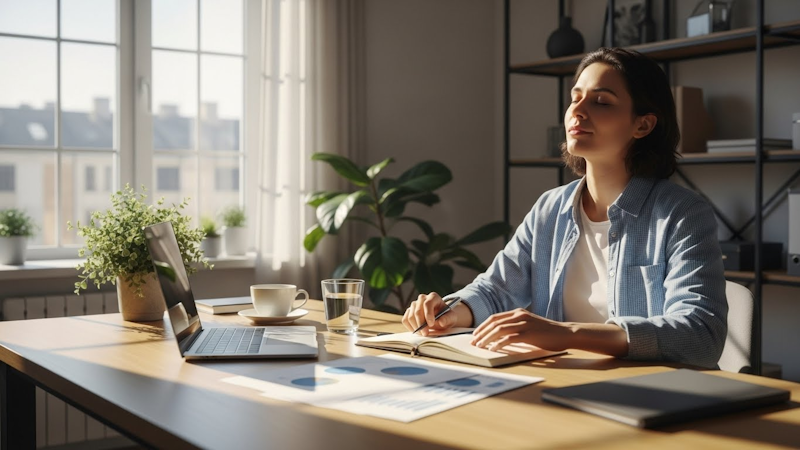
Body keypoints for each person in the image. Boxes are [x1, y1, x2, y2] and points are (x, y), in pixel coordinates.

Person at [402, 47, 728, 369]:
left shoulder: (682, 213)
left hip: (651, 395)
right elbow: (496, 289)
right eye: (575, 98)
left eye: (601, 102)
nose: (578, 111)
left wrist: (567, 334)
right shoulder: (550, 208)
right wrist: (447, 313)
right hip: (560, 384)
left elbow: (700, 334)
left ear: (642, 126)